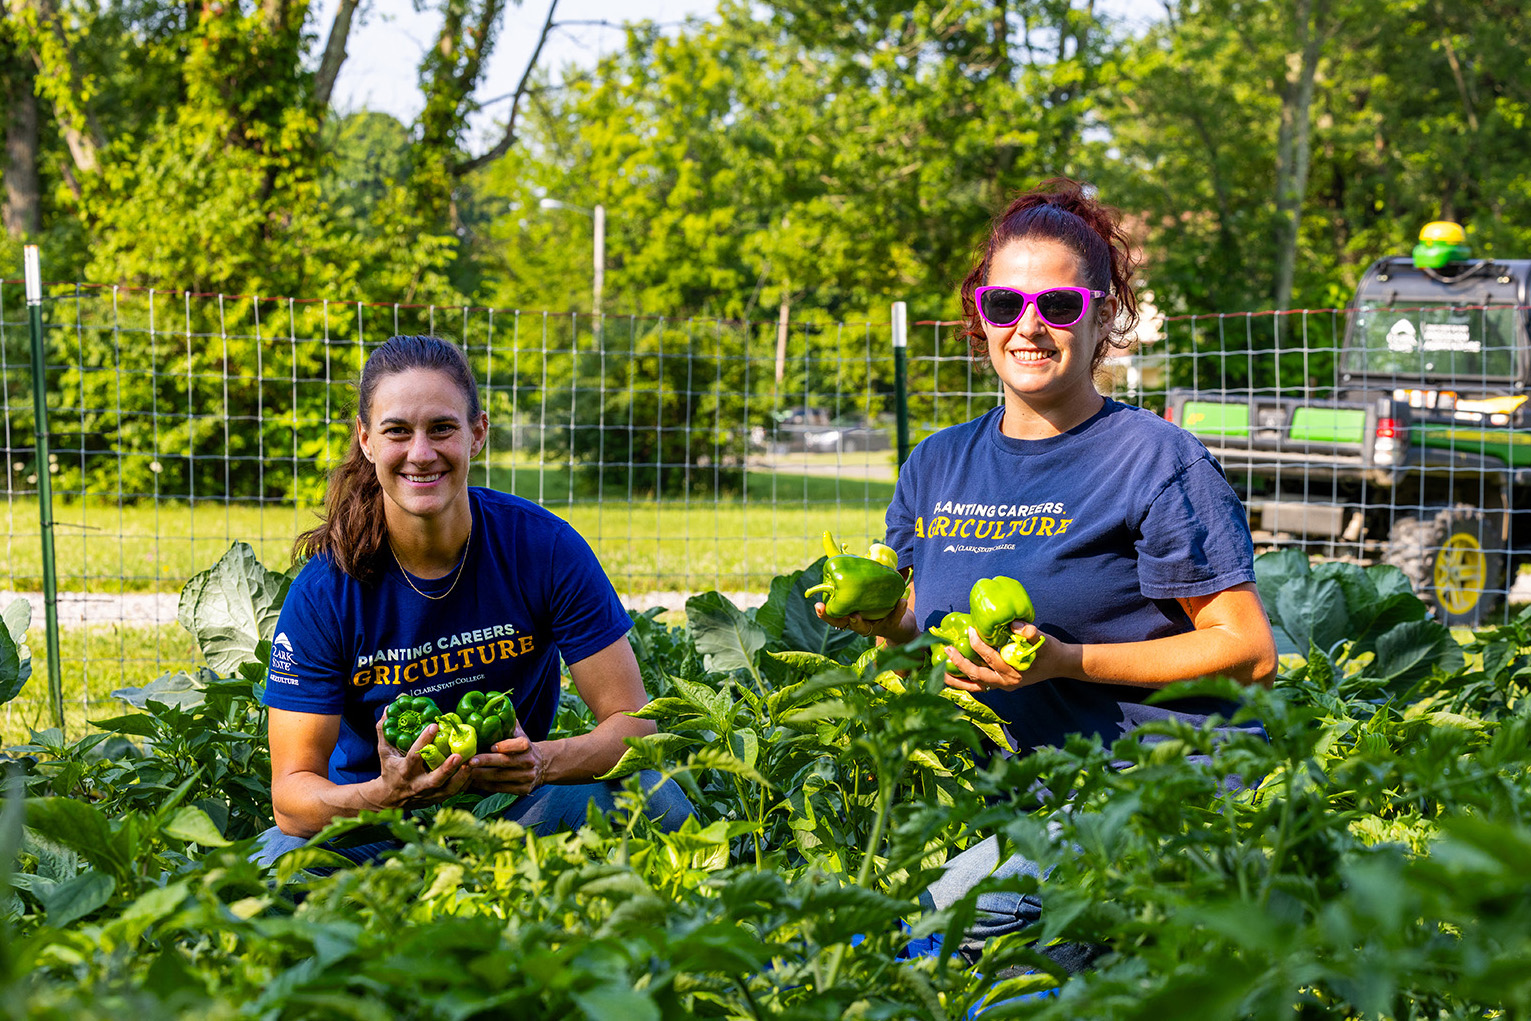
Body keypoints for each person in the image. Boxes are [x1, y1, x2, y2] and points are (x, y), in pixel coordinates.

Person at [815, 178, 1278, 960]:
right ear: (980, 315)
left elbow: (1249, 653)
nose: (1028, 326)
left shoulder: (1153, 460)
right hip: (1022, 798)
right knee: (852, 934)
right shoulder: (935, 465)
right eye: (1004, 305)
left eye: (1058, 306)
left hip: (1156, 783)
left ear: (1100, 318)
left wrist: (1067, 661)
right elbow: (923, 619)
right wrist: (885, 621)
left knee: (935, 941)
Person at [252, 335, 693, 866]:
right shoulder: (325, 592)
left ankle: (734, 942)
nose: (421, 453)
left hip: (516, 809)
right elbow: (293, 800)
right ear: (367, 441)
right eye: (397, 432)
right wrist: (385, 795)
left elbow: (635, 726)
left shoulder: (543, 548)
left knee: (653, 794)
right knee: (264, 872)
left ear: (477, 433)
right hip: (374, 825)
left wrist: (541, 762)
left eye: (442, 428)